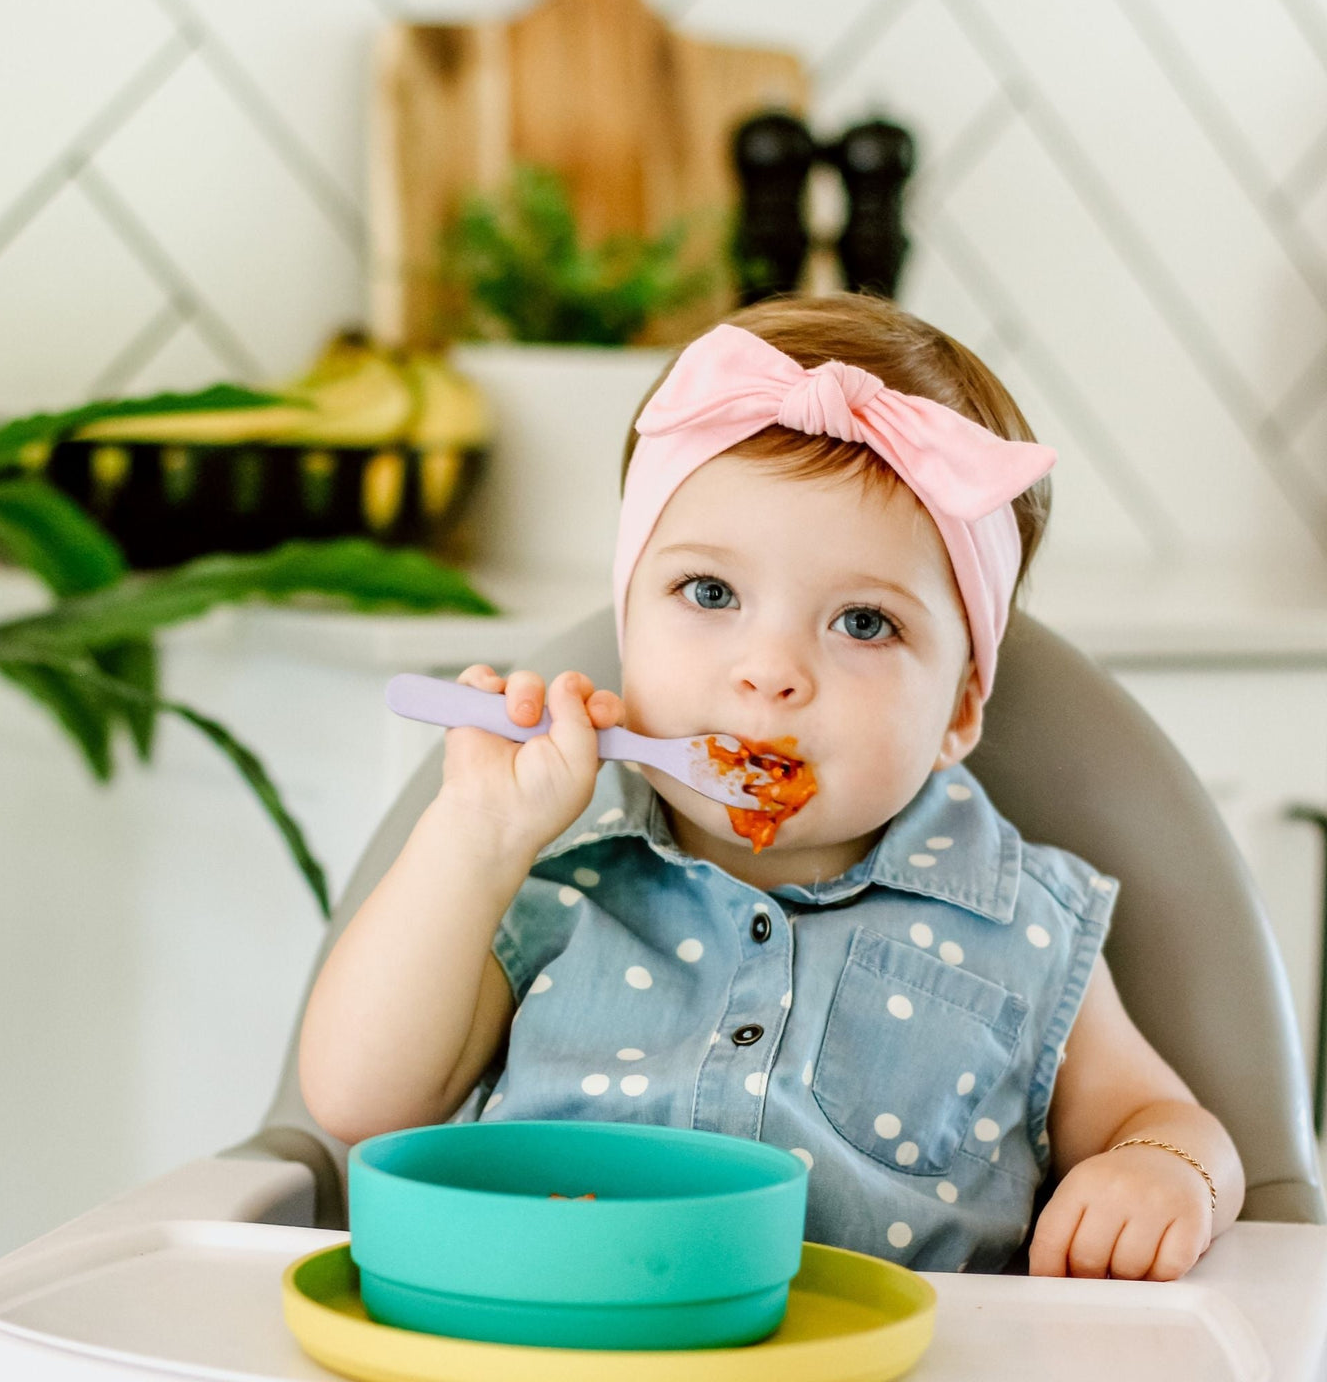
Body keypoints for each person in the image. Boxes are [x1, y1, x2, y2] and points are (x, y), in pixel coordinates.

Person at [299, 293, 1244, 1279]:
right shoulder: (547, 876)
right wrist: (476, 836)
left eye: (863, 622)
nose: (769, 669)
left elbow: (1161, 1118)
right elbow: (358, 1100)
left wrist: (1162, 1169)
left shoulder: (1020, 920)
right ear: (629, 628)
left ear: (960, 708)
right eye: (708, 594)